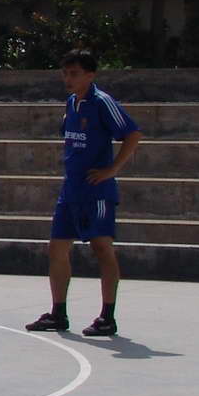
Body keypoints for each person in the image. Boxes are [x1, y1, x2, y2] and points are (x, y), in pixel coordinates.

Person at [27, 48, 142, 337]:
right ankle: (58, 312)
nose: (68, 79)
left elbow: (132, 133)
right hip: (71, 189)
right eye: (65, 73)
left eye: (74, 73)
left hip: (96, 190)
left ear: (90, 75)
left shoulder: (102, 102)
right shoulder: (71, 103)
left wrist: (112, 169)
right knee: (57, 248)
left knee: (102, 248)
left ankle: (107, 316)